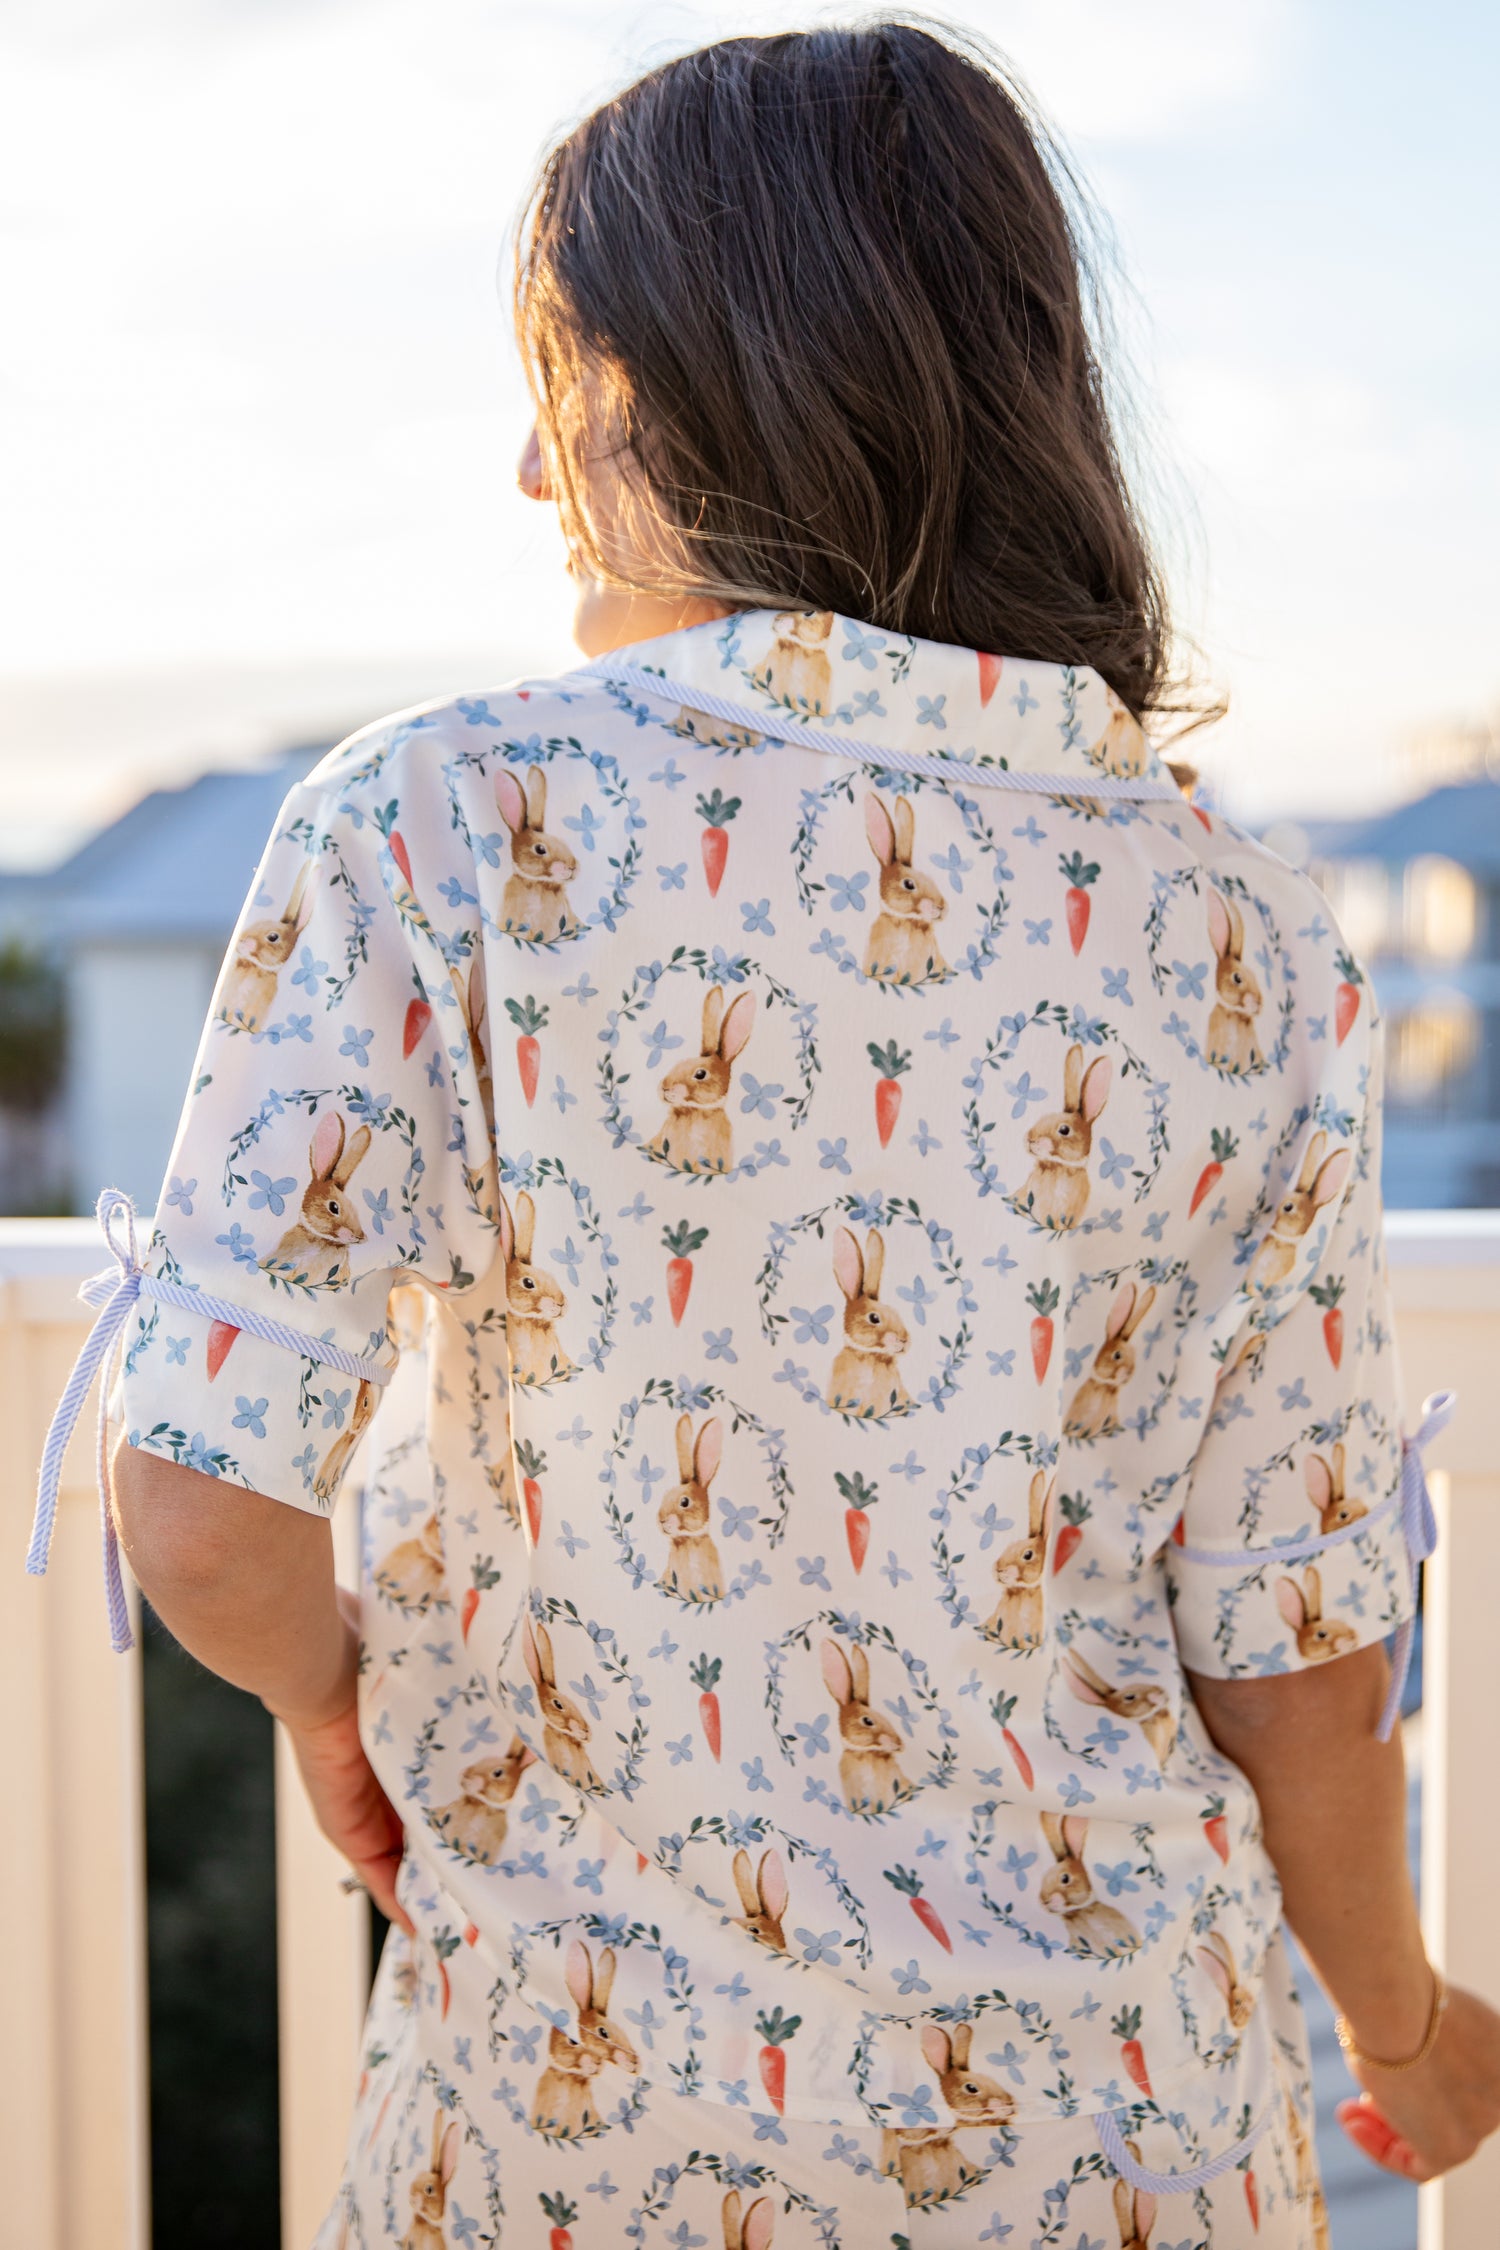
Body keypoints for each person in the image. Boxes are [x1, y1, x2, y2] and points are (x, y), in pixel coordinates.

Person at [38, 20, 1500, 2247]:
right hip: (1118, 2130)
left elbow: (202, 1507)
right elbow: (1295, 1660)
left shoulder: (436, 821)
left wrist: (339, 1716)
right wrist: (1402, 2029)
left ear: (711, 386)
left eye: (570, 378)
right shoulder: (1249, 923)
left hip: (575, 2126)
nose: (532, 470)